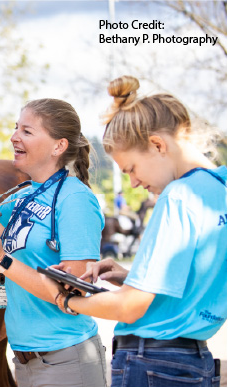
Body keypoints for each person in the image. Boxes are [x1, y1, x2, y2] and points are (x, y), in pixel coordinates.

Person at [41, 75, 226, 387]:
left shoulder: (178, 197)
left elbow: (129, 307)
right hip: (195, 361)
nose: (135, 183)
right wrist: (132, 277)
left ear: (157, 144)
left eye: (131, 170)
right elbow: (197, 282)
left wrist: (65, 301)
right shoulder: (220, 189)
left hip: (152, 362)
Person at [0, 99, 107, 386]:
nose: (14, 137)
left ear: (59, 146)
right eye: (16, 128)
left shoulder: (76, 200)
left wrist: (1, 260)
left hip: (67, 361)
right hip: (25, 363)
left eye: (27, 131)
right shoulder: (22, 197)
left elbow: (74, 297)